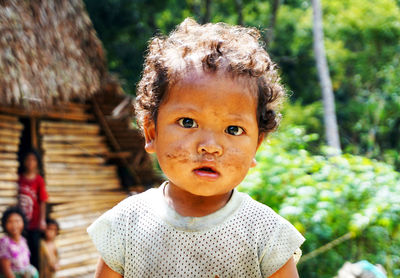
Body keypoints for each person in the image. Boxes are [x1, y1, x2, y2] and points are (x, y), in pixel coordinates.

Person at [88, 18, 305, 278]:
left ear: (256, 146)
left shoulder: (266, 234)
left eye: (233, 129)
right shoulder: (125, 225)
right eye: (188, 122)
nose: (210, 147)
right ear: (151, 132)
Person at [18, 150, 48, 270]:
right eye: (28, 159)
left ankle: (35, 273)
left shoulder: (38, 180)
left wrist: (42, 220)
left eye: (33, 160)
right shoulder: (18, 178)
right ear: (23, 162)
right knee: (22, 248)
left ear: (37, 163)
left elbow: (43, 201)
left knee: (34, 249)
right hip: (20, 222)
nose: (30, 162)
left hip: (34, 222)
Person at [0, 206, 39, 278]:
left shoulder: (23, 241)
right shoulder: (4, 242)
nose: (14, 225)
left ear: (23, 223)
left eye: (17, 221)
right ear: (4, 224)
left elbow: (26, 264)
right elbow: (6, 270)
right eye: (10, 221)